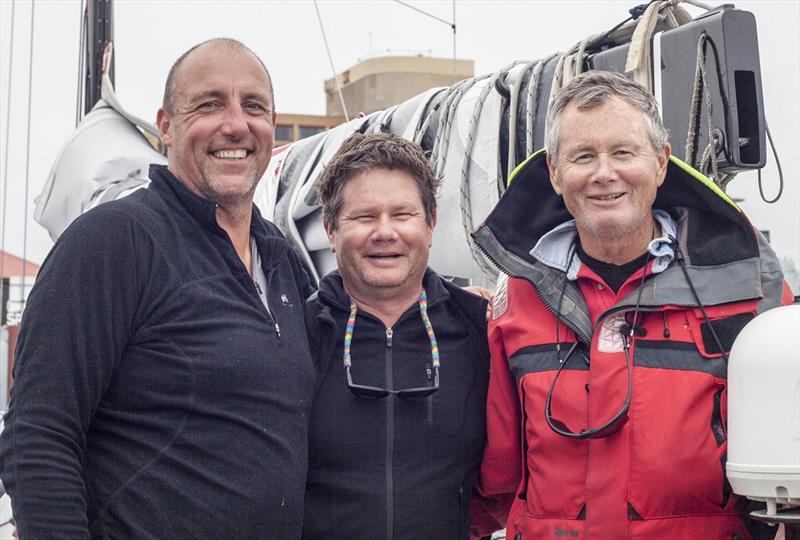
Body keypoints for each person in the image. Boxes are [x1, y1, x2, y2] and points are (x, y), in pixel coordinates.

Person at [0, 38, 316, 539]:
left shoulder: (282, 261)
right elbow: (39, 435)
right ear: (166, 127)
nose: (236, 124)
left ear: (271, 129)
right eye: (210, 103)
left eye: (253, 106)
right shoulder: (112, 241)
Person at [470, 71, 794, 539]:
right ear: (557, 174)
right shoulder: (517, 295)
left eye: (623, 152)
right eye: (583, 156)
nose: (605, 174)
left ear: (661, 163)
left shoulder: (747, 287)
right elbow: (498, 470)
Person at [302, 133, 490, 540]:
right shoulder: (295, 337)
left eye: (402, 215)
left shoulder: (483, 328)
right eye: (364, 216)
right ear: (331, 230)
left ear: (430, 223)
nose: (385, 232)